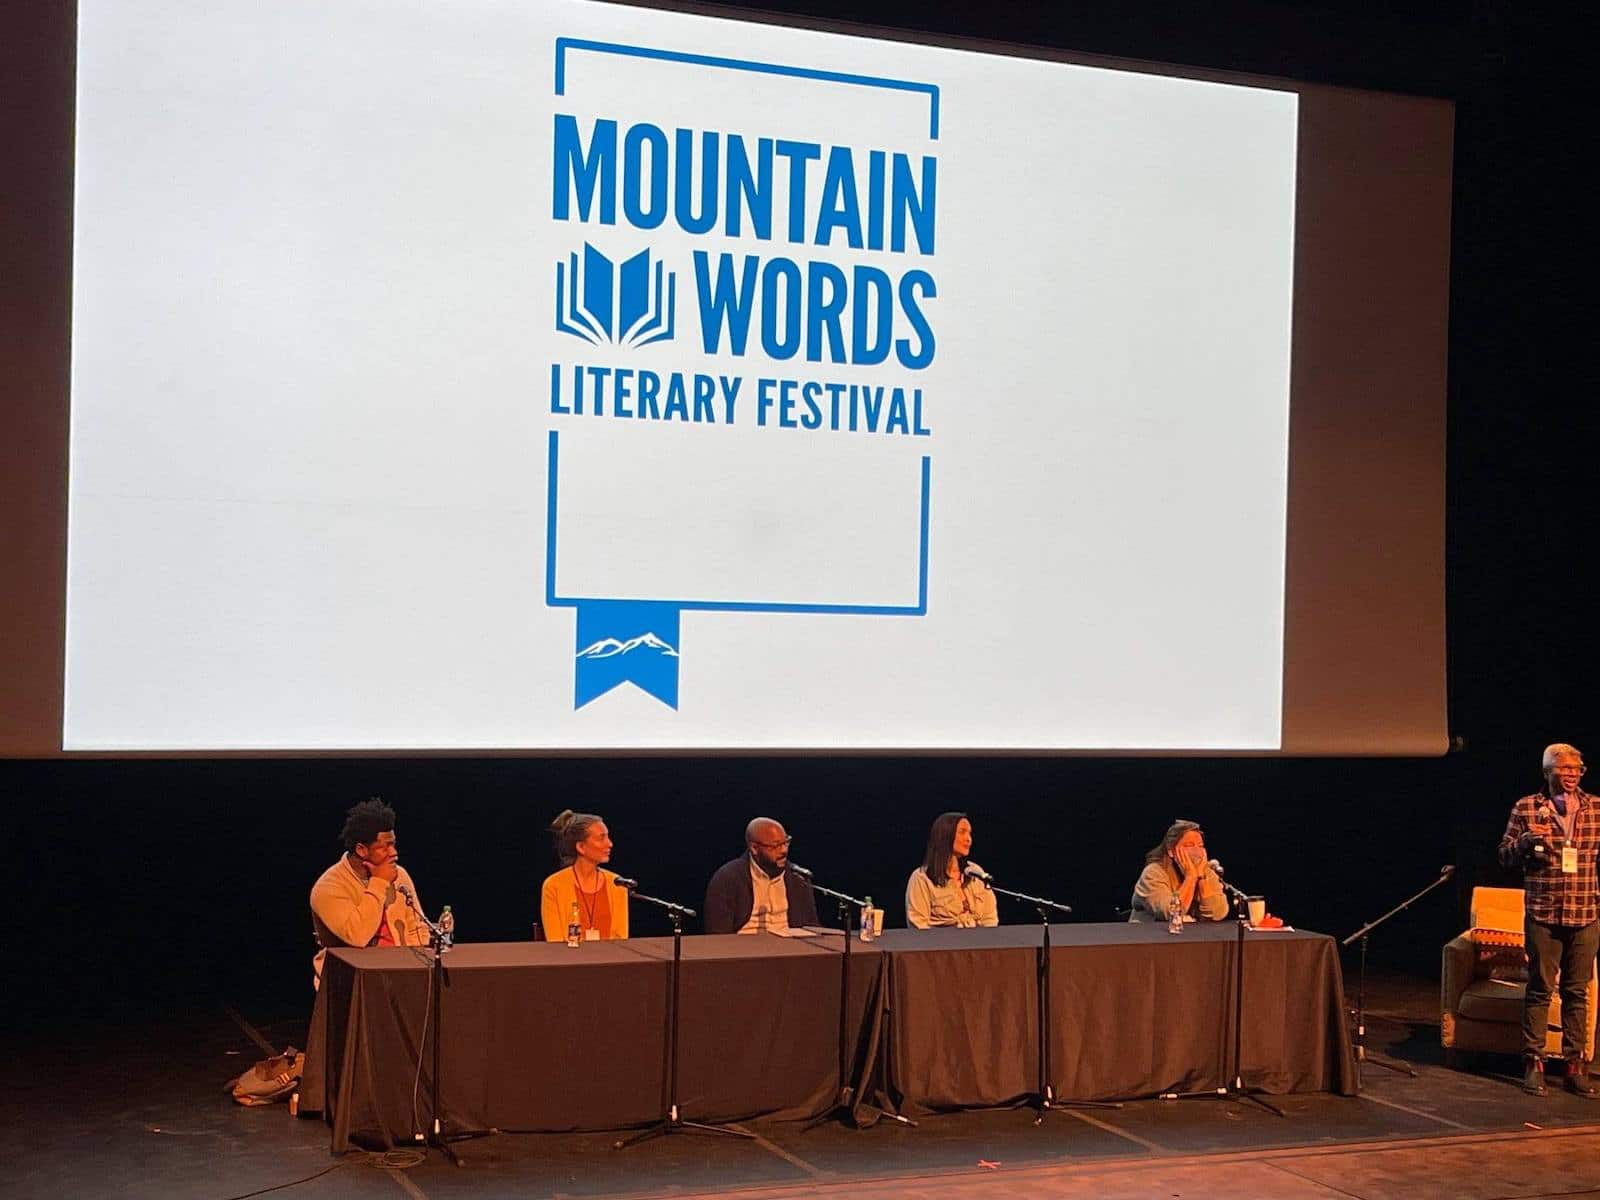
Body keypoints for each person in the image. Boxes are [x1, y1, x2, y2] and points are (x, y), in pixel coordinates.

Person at [1498, 742, 1600, 1097]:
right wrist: (1526, 841)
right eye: (1565, 769)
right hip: (1543, 911)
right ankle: (1534, 1063)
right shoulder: (1527, 807)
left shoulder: (1595, 808)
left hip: (1585, 912)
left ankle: (1575, 1066)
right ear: (1547, 772)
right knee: (1540, 989)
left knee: (1577, 991)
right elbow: (1505, 856)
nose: (1572, 775)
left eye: (1577, 769)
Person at [309, 798, 428, 986]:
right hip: (351, 984)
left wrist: (411, 970)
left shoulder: (400, 875)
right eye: (384, 847)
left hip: (400, 976)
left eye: (394, 844)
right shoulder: (328, 888)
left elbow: (418, 928)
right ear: (361, 850)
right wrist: (379, 882)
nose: (394, 852)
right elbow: (358, 936)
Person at [703, 817, 818, 934]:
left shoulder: (798, 877)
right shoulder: (727, 878)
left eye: (786, 842)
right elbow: (717, 933)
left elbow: (811, 927)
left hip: (790, 947)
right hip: (744, 947)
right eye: (775, 846)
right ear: (754, 848)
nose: (784, 850)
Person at [539, 809, 630, 941]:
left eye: (608, 837)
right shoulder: (554, 886)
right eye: (601, 838)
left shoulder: (617, 883)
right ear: (581, 847)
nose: (610, 844)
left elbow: (622, 939)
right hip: (569, 960)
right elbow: (555, 942)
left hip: (610, 960)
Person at [905, 812, 999, 928]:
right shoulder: (922, 878)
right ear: (945, 835)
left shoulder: (975, 872)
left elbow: (990, 917)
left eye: (970, 833)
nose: (968, 839)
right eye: (962, 832)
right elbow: (918, 924)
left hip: (978, 943)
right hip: (942, 945)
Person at [1129, 819, 1229, 924]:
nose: (1197, 851)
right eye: (1189, 845)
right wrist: (1190, 877)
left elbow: (1218, 913)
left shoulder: (1206, 872)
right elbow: (1171, 912)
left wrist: (1201, 879)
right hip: (1151, 936)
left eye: (1200, 846)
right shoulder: (1153, 873)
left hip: (1192, 937)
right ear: (1171, 851)